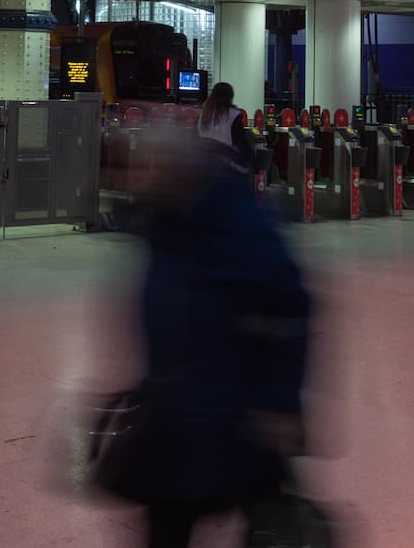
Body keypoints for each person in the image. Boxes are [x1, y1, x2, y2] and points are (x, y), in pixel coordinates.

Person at [125, 130, 311, 546]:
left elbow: (291, 307)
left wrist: (280, 403)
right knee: (171, 520)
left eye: (152, 167)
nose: (142, 177)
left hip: (238, 416)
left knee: (262, 517)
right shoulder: (166, 223)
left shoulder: (238, 221)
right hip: (178, 419)